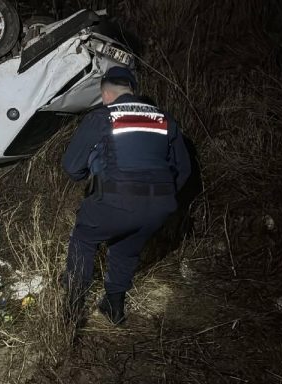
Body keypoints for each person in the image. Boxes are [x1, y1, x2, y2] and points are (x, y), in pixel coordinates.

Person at [62, 66, 191, 325]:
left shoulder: (103, 117)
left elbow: (71, 165)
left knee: (84, 239)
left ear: (106, 94)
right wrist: (159, 198)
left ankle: (72, 310)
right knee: (126, 247)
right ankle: (114, 306)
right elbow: (184, 170)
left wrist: (90, 180)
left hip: (114, 198)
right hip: (160, 205)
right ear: (133, 90)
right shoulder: (166, 120)